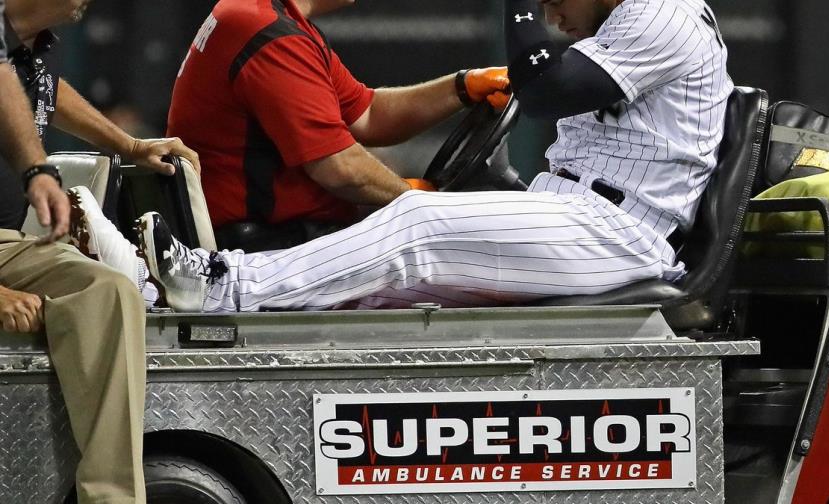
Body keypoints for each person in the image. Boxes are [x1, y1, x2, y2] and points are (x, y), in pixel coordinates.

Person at [79, 0, 732, 313]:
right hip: (572, 212)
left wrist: (417, 201)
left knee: (419, 225)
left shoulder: (663, 12)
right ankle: (157, 291)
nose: (550, 14)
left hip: (621, 233)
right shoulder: (264, 22)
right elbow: (365, 123)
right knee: (374, 291)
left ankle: (216, 285)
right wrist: (462, 87)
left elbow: (547, 92)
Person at [0, 0, 206, 501]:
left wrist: (130, 146)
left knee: (108, 290)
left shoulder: (21, 55)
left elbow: (47, 94)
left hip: (8, 243)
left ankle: (112, 498)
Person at [167, 0, 510, 238]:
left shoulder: (271, 19)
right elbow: (340, 169)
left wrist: (463, 86)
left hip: (291, 238)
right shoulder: (268, 33)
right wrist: (415, 199)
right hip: (271, 248)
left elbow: (368, 114)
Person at [0, 0, 202, 230]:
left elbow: (48, 89)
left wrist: (131, 146)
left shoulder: (40, 45)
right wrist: (37, 169)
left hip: (19, 235)